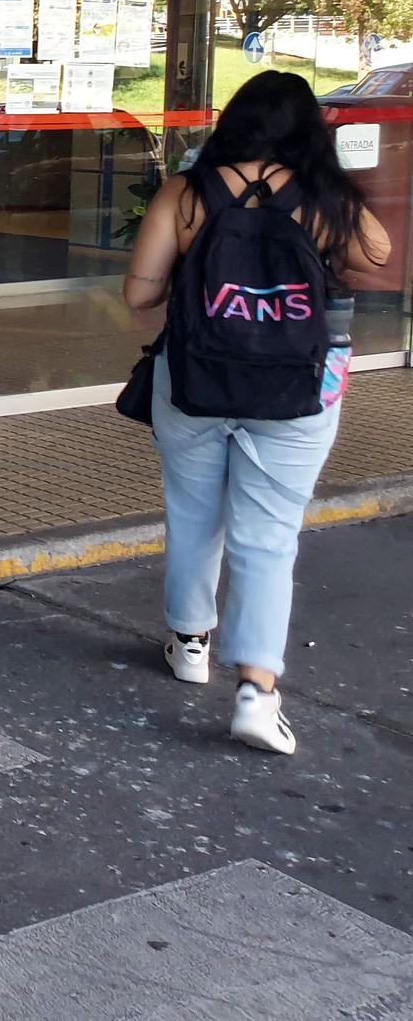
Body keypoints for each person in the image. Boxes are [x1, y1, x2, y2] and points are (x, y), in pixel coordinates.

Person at [123, 71, 394, 755]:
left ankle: (189, 645)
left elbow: (138, 297)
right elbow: (380, 256)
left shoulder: (184, 195)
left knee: (193, 514)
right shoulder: (326, 199)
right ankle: (256, 692)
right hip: (296, 387)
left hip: (195, 379)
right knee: (269, 538)